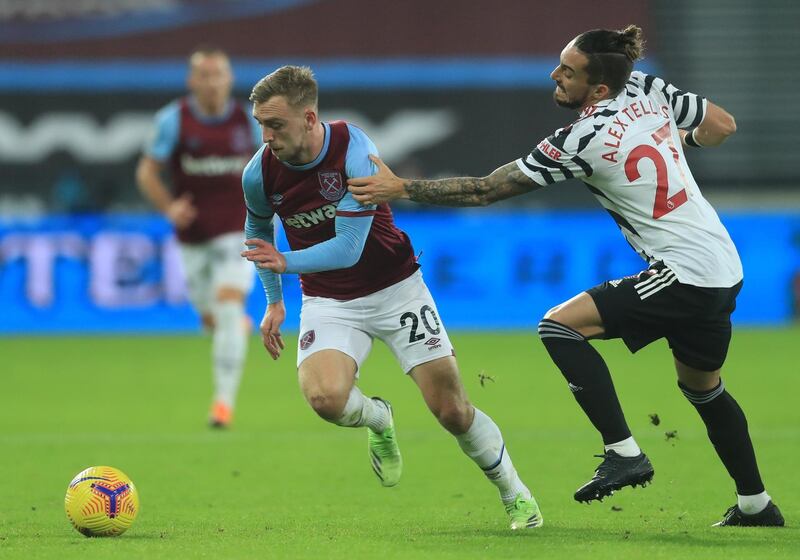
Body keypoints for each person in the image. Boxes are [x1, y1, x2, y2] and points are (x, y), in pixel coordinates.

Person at [347, 26, 784, 528]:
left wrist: (401, 186)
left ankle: (624, 453)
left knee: (559, 326)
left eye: (568, 72)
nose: (555, 75)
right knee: (703, 388)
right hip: (724, 266)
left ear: (599, 89)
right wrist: (676, 143)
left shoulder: (582, 139)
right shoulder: (646, 87)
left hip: (684, 272)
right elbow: (723, 125)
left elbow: (488, 190)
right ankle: (756, 504)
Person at [239, 65, 542, 530]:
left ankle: (514, 492)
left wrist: (284, 261)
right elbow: (257, 227)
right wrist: (274, 299)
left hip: (397, 290)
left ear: (309, 117)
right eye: (261, 123)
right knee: (324, 398)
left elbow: (347, 248)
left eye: (275, 124)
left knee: (452, 411)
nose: (266, 135)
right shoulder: (259, 172)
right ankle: (379, 418)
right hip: (329, 299)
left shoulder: (353, 151)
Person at [136, 46, 262, 428]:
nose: (211, 82)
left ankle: (223, 404)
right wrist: (169, 207)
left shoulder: (249, 120)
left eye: (218, 74)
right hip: (192, 235)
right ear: (192, 81)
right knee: (211, 318)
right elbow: (147, 172)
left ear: (230, 78)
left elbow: (274, 165)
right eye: (203, 75)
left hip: (240, 231)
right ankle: (231, 326)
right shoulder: (173, 120)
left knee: (227, 304)